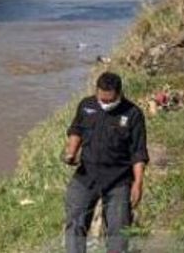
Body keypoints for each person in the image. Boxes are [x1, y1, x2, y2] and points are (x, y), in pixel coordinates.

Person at [63, 72, 149, 253]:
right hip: (86, 176)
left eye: (109, 101)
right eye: (101, 99)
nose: (105, 104)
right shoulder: (86, 105)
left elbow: (138, 153)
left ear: (119, 94)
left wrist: (138, 184)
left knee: (118, 231)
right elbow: (76, 130)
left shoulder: (133, 114)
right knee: (75, 222)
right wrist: (71, 151)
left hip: (118, 180)